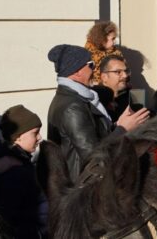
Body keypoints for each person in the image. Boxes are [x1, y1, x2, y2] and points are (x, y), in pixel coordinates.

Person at [45, 44, 148, 181]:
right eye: (91, 65)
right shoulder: (72, 107)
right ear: (77, 71)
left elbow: (93, 135)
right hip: (84, 189)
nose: (94, 70)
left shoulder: (76, 98)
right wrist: (122, 129)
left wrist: (118, 125)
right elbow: (93, 156)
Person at [0, 105, 48, 238]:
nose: (39, 137)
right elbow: (13, 219)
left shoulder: (21, 161)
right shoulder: (13, 171)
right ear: (17, 137)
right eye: (35, 133)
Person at [96, 54, 132, 121]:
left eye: (126, 71)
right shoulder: (96, 102)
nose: (125, 75)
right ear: (104, 77)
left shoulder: (128, 97)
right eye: (118, 72)